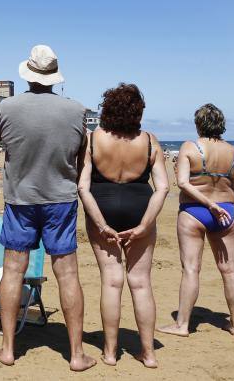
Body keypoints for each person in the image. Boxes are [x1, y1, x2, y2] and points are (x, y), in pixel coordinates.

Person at [0, 45, 96, 371]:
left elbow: (5, 143)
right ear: (54, 76)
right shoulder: (76, 110)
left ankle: (8, 349)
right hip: (60, 199)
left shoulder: (7, 107)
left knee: (13, 271)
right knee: (67, 274)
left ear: (28, 74)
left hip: (20, 198)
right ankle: (77, 354)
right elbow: (81, 153)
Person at [77, 84, 169, 368]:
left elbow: (83, 187)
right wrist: (144, 226)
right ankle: (148, 354)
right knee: (140, 283)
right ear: (138, 111)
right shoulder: (150, 141)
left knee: (111, 281)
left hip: (102, 209)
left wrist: (101, 224)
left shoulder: (93, 139)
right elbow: (163, 188)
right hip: (140, 209)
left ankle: (109, 353)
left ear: (107, 109)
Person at [158, 103, 234, 338]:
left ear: (198, 124)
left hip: (194, 210)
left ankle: (182, 325)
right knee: (230, 269)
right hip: (225, 212)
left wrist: (208, 204)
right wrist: (221, 206)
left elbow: (183, 183)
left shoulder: (190, 147)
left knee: (191, 269)